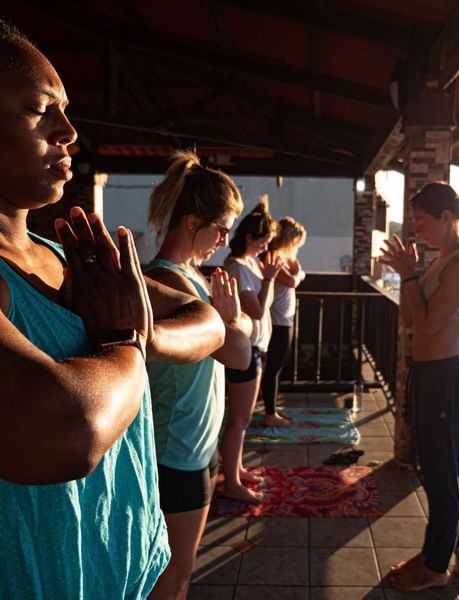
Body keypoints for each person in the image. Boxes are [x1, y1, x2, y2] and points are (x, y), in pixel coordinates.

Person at [0, 22, 226, 599]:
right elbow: (70, 429)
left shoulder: (63, 258)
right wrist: (123, 340)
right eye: (37, 109)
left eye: (67, 111)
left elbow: (208, 322)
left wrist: (139, 336)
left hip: (127, 564)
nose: (69, 131)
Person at [143, 151, 252, 600]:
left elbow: (237, 334)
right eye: (221, 228)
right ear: (192, 222)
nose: (226, 241)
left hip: (190, 448)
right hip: (174, 453)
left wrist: (235, 321)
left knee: (178, 572)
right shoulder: (170, 283)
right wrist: (235, 321)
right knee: (171, 578)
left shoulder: (192, 278)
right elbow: (240, 353)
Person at [378, 181, 459, 592]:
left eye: (423, 222)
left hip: (446, 379)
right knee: (432, 472)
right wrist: (409, 275)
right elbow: (409, 318)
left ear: (447, 217)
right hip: (428, 375)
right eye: (414, 222)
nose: (416, 230)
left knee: (443, 478)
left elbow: (427, 322)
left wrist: (407, 273)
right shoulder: (440, 260)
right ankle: (431, 553)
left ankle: (437, 568)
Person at [221, 199, 282, 503]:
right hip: (245, 347)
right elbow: (257, 310)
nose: (265, 248)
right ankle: (231, 482)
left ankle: (237, 468)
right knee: (239, 419)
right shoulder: (236, 266)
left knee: (242, 418)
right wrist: (269, 280)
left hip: (255, 346)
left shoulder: (247, 264)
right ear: (249, 237)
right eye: (264, 241)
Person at [261, 216, 306, 427]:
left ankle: (271, 411)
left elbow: (295, 277)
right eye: (295, 243)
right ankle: (270, 414)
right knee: (273, 368)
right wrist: (299, 273)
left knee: (275, 368)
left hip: (284, 319)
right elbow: (292, 280)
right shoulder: (275, 257)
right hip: (277, 320)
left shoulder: (285, 258)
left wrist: (298, 273)